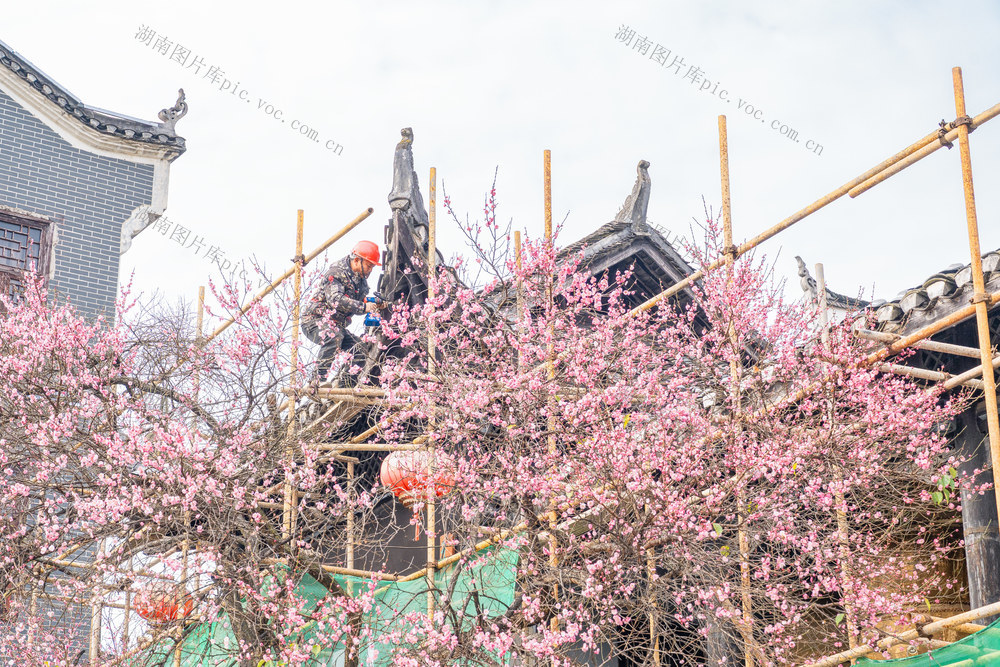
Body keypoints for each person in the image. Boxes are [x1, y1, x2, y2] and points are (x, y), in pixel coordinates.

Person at [302, 240, 381, 382]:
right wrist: (364, 307)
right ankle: (316, 382)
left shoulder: (361, 283)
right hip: (314, 320)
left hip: (336, 326)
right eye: (369, 266)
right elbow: (336, 300)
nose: (370, 270)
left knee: (360, 349)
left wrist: (371, 304)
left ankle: (345, 385)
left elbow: (357, 304)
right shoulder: (336, 273)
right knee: (333, 337)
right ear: (357, 260)